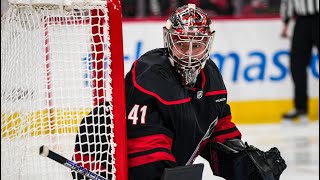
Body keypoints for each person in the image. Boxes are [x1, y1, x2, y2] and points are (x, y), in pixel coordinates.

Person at [72, 4, 287, 180]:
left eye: (198, 45)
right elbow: (148, 158)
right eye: (182, 44)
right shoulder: (150, 76)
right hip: (109, 166)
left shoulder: (211, 76)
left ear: (208, 43)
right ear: (169, 40)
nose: (190, 54)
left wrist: (246, 167)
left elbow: (218, 130)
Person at [280, 0, 319, 124]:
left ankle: (301, 108)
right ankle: (301, 108)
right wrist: (286, 22)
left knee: (298, 64)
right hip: (301, 21)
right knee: (297, 65)